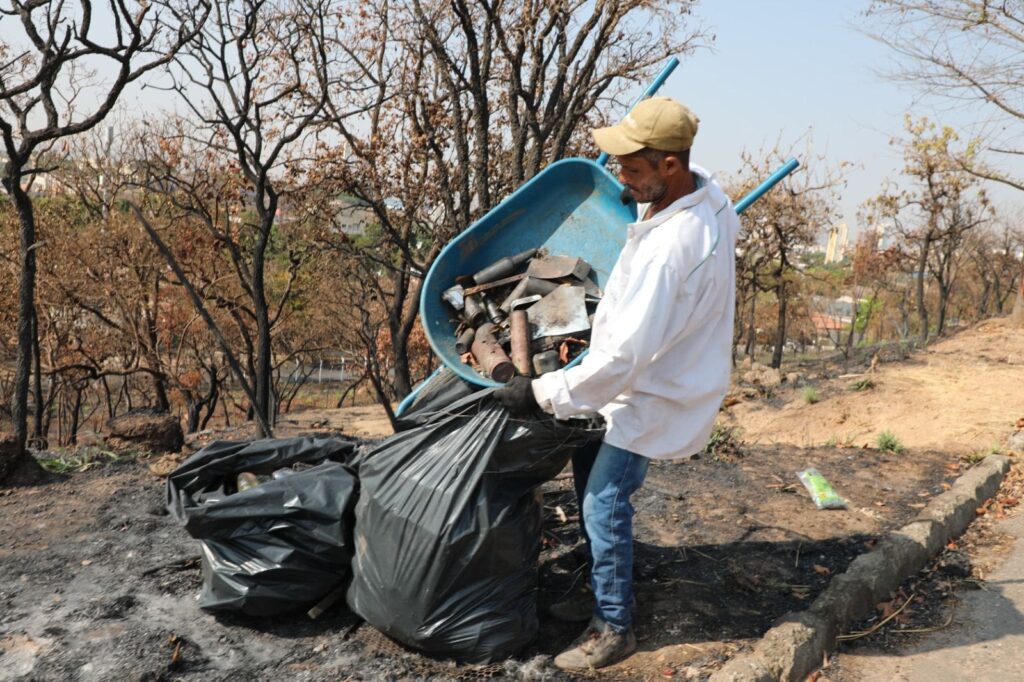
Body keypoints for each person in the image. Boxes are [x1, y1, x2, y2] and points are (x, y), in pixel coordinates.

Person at [493, 96, 741, 670]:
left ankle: (613, 625)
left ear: (670, 165)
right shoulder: (710, 198)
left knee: (605, 501)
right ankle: (601, 581)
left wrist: (539, 393)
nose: (620, 179)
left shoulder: (672, 248)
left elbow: (623, 359)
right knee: (590, 485)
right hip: (653, 374)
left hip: (652, 392)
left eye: (631, 168)